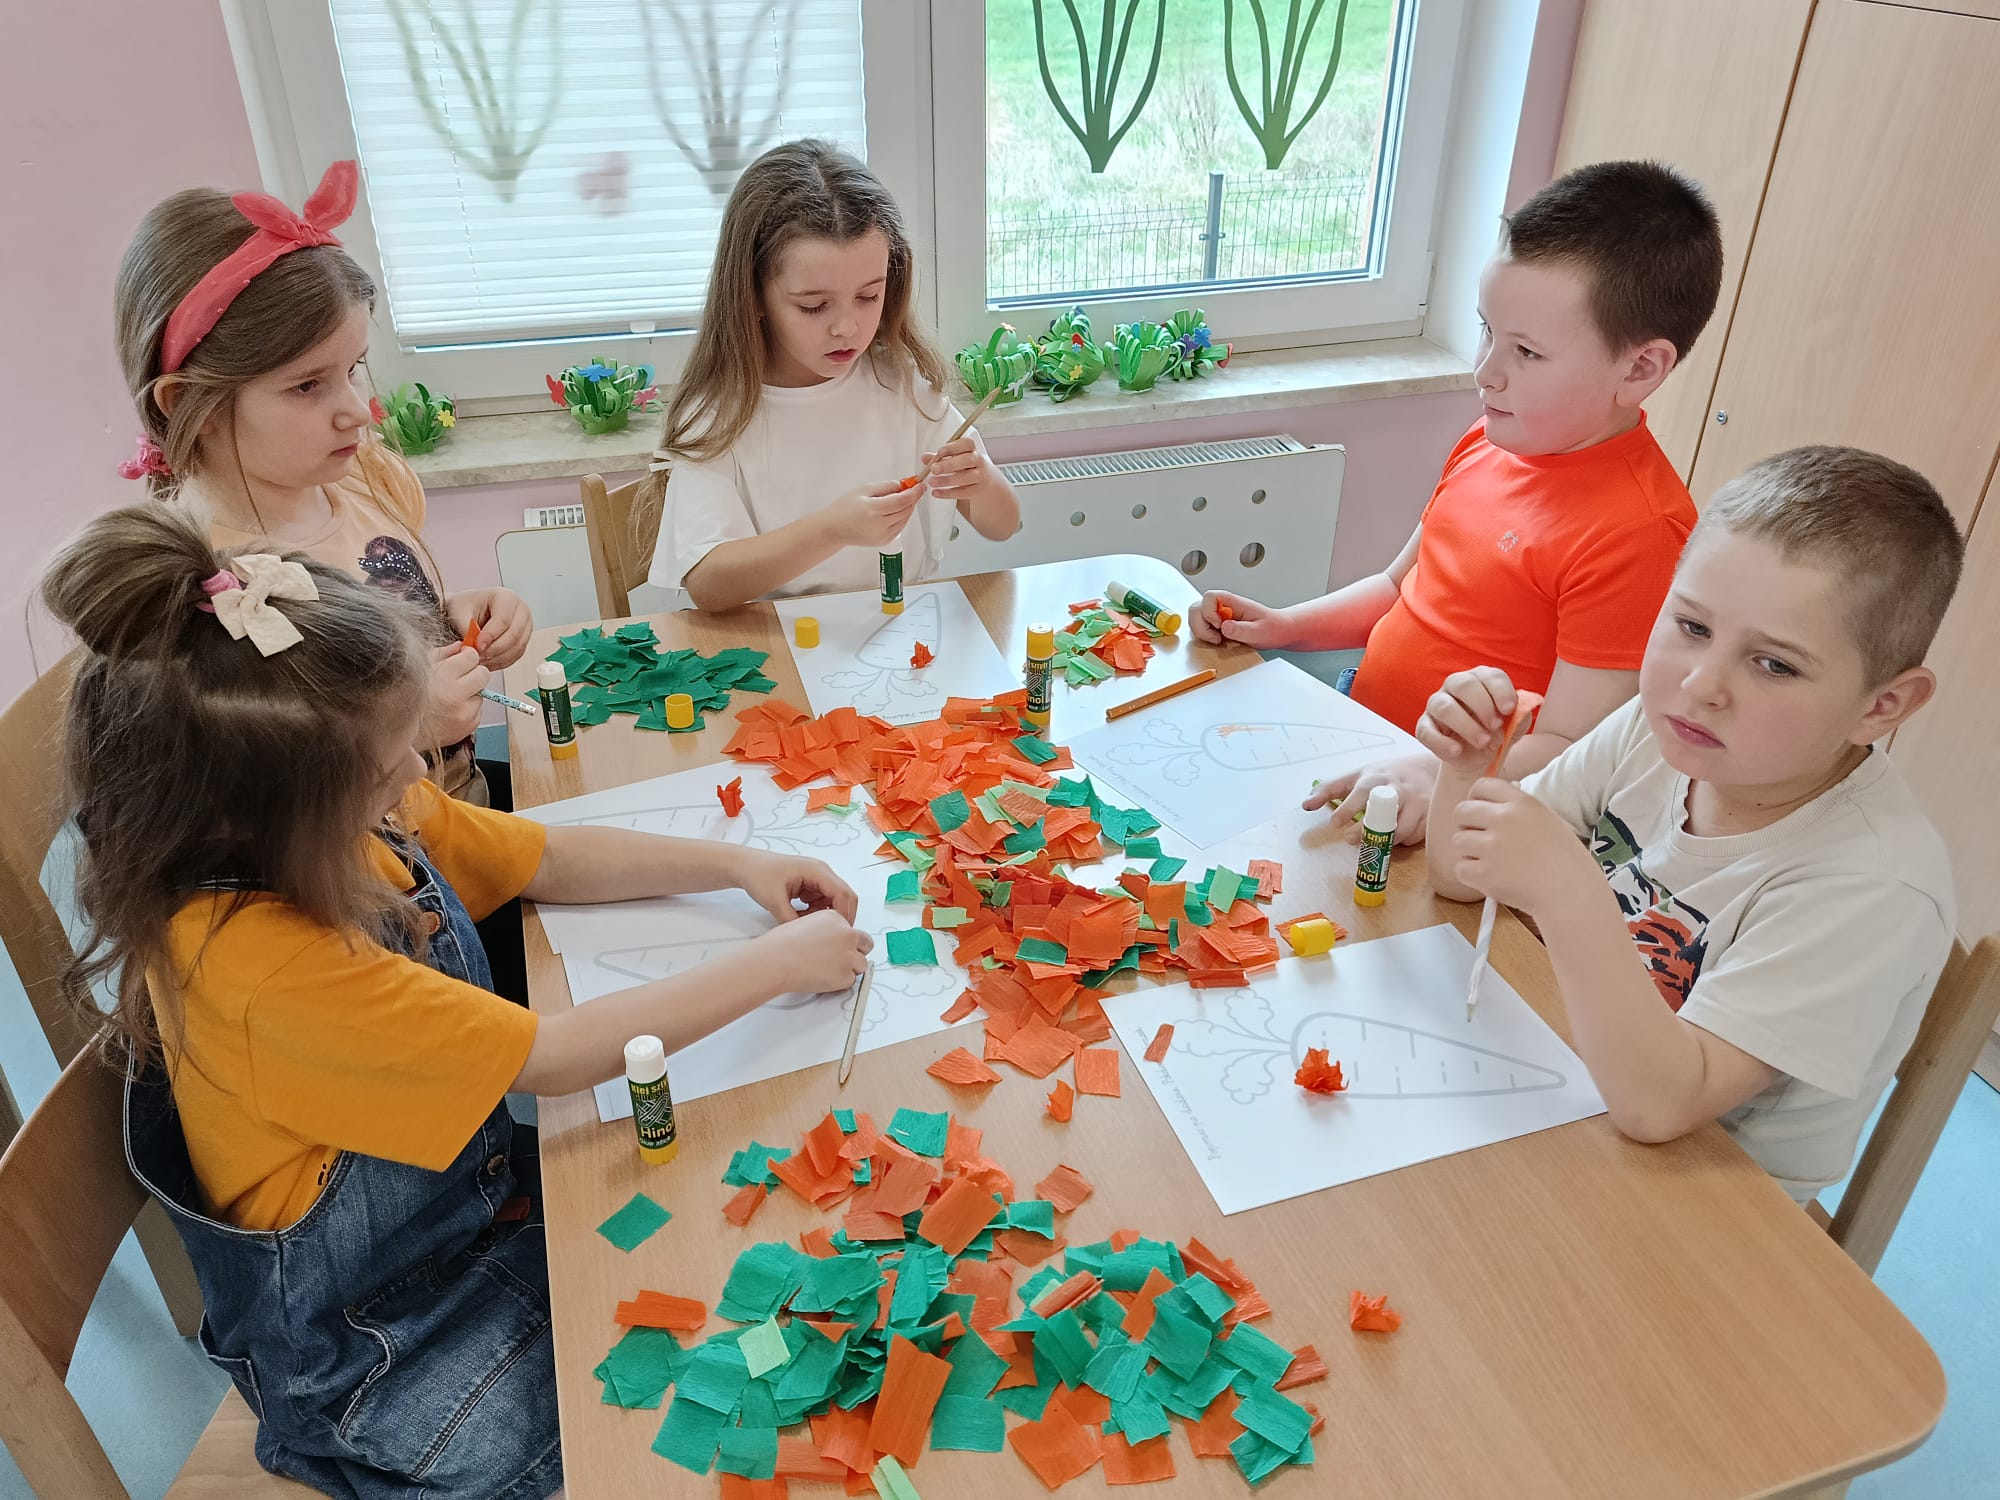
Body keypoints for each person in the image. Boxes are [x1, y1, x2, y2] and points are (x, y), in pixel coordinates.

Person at [45, 504, 872, 1497]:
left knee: (748, 1264)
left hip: (473, 1215)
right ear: (265, 809)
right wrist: (778, 964)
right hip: (381, 1348)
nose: (414, 772)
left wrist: (736, 865)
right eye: (383, 764)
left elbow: (542, 855)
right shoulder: (257, 967)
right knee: (697, 1430)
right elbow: (556, 1057)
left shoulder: (328, 816)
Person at [1425, 447, 1962, 1204]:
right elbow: (1460, 877)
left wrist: (1569, 893)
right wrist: (1465, 770)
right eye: (1691, 625)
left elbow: (1661, 1108)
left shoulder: (1873, 883)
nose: (1700, 683)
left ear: (1882, 707)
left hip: (1712, 1201)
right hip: (1571, 1081)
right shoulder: (1663, 732)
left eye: (1775, 665)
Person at [1193, 161, 1724, 843]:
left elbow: (1571, 750)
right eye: (1486, 331)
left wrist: (1433, 776)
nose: (1485, 372)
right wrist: (1284, 626)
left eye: (1527, 352)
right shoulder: (1491, 438)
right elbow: (1398, 589)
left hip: (1455, 815)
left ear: (1640, 368)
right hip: (1365, 745)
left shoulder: (1640, 532)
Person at [113, 159, 530, 806]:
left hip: (466, 812)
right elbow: (252, 797)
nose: (357, 411)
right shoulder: (205, 586)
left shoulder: (362, 479)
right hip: (383, 863)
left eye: (353, 369)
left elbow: (371, 618)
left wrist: (449, 619)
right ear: (188, 405)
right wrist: (407, 727)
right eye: (308, 385)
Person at [641, 139, 1020, 611]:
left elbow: (1004, 525)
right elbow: (709, 584)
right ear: (753, 295)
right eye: (814, 305)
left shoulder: (897, 381)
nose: (847, 327)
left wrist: (980, 482)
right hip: (779, 641)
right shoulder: (720, 414)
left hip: (902, 628)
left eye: (868, 297)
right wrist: (832, 529)